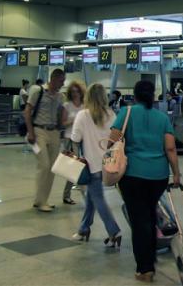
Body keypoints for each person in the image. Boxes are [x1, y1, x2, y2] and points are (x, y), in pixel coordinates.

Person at [111, 80, 181, 282]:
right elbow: (170, 148)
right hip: (158, 176)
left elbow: (111, 141)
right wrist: (176, 173)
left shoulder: (126, 113)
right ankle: (151, 256)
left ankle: (145, 269)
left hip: (133, 175)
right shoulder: (162, 118)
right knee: (150, 215)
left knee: (140, 221)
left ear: (135, 95)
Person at [70, 83, 120, 246]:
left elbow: (75, 138)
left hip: (91, 165)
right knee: (92, 197)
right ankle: (84, 228)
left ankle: (113, 231)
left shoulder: (83, 115)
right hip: (109, 163)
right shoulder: (111, 114)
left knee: (98, 198)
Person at [24, 69, 67, 212]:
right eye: (61, 81)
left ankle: (43, 200)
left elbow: (61, 114)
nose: (63, 84)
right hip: (38, 131)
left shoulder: (61, 96)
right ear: (53, 79)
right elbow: (27, 112)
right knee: (44, 165)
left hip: (54, 132)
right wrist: (31, 132)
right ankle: (40, 200)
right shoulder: (38, 91)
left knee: (52, 168)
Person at [62, 81, 86, 205]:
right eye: (72, 91)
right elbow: (62, 123)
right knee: (74, 168)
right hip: (70, 139)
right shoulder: (67, 105)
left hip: (83, 139)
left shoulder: (84, 106)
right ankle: (68, 195)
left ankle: (80, 193)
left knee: (82, 167)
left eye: (77, 91)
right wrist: (73, 121)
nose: (75, 94)